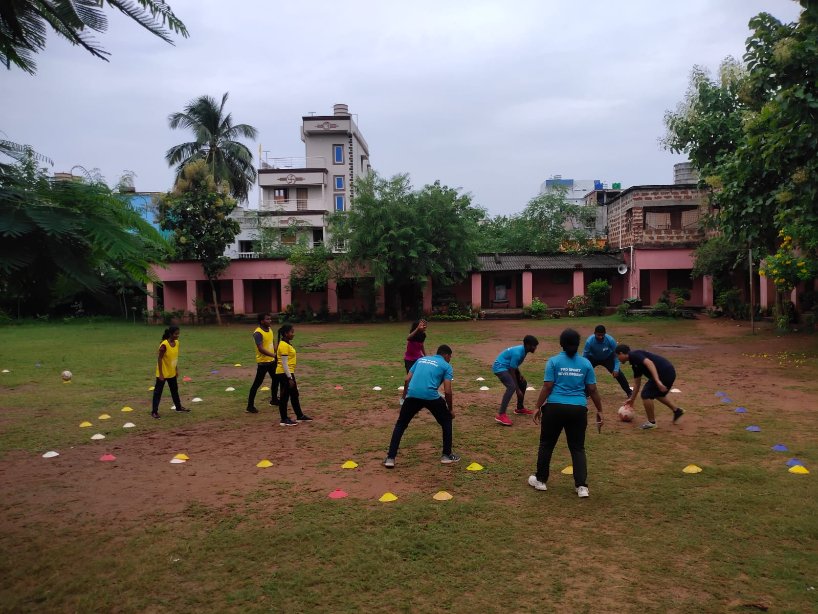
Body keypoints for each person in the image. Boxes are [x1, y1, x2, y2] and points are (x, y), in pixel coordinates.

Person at [528, 328, 603, 498]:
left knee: (547, 444)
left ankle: (540, 480)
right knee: (577, 448)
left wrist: (537, 406)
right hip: (578, 410)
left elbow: (547, 386)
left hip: (555, 408)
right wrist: (600, 410)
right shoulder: (585, 364)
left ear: (561, 344)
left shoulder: (553, 362)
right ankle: (582, 487)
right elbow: (592, 389)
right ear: (578, 345)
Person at [384, 344, 459, 468]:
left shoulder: (420, 360)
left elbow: (407, 380)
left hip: (412, 395)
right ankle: (446, 455)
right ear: (446, 355)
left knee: (401, 424)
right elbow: (448, 391)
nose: (450, 359)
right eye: (450, 357)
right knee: (446, 421)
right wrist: (450, 409)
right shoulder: (447, 366)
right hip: (431, 396)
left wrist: (404, 398)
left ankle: (390, 458)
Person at [615, 344, 685, 430]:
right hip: (667, 372)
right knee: (656, 393)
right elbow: (637, 384)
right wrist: (632, 399)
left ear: (621, 353)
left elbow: (649, 363)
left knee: (646, 394)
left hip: (665, 372)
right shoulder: (634, 364)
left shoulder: (634, 355)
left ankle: (651, 422)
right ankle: (677, 411)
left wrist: (657, 381)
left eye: (617, 356)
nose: (617, 359)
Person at [492, 335, 539, 426]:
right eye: (534, 345)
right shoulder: (518, 353)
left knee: (523, 383)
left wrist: (520, 374)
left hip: (507, 367)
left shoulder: (523, 350)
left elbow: (513, 365)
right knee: (511, 387)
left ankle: (520, 408)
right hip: (500, 367)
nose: (535, 348)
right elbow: (511, 370)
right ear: (528, 345)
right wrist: (517, 390)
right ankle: (501, 414)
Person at [274, 323, 312, 426]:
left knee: (294, 394)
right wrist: (289, 377)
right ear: (286, 333)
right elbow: (284, 363)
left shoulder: (287, 343)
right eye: (292, 332)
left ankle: (300, 416)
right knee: (284, 397)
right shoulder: (283, 345)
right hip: (284, 373)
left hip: (288, 373)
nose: (293, 334)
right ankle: (284, 419)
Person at [583, 324, 632, 398]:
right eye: (598, 335)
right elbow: (585, 356)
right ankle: (586, 393)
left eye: (602, 335)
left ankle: (629, 392)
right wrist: (585, 367)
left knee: (619, 374)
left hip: (607, 358)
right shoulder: (589, 341)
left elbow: (616, 355)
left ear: (605, 334)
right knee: (585, 374)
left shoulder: (610, 340)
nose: (601, 337)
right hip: (592, 358)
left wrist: (616, 369)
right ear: (594, 333)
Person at [151, 325, 188, 419]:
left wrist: (176, 369)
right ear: (171, 334)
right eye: (176, 334)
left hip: (172, 372)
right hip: (162, 372)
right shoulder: (164, 345)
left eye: (178, 333)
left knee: (174, 390)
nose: (177, 335)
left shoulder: (177, 343)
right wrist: (161, 374)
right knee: (158, 392)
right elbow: (159, 359)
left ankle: (178, 407)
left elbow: (174, 358)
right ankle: (154, 412)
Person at [246, 313, 278, 415]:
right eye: (267, 319)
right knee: (257, 384)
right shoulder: (258, 333)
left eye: (270, 319)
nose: (270, 321)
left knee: (276, 380)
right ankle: (250, 406)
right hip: (263, 363)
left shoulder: (270, 330)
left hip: (272, 361)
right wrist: (274, 355)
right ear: (262, 321)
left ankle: (274, 400)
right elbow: (261, 349)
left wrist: (277, 353)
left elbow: (272, 344)